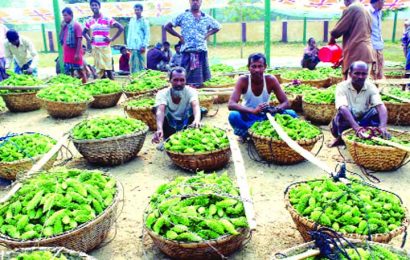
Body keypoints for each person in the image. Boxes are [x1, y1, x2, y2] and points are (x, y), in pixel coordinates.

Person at [228, 53, 297, 140]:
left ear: (265, 67)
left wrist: (275, 109)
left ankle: (250, 132)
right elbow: (231, 104)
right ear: (248, 67)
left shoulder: (270, 80)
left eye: (260, 66)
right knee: (233, 115)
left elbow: (286, 102)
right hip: (248, 115)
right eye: (254, 66)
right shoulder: (243, 80)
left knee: (291, 113)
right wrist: (253, 111)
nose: (257, 70)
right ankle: (256, 132)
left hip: (266, 116)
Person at [329, 61, 389, 147]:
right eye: (356, 73)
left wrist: (383, 126)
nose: (360, 77)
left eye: (363, 74)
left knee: (375, 111)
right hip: (346, 121)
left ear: (367, 74)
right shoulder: (342, 86)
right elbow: (342, 107)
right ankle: (340, 137)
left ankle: (373, 134)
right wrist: (357, 128)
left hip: (363, 120)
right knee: (343, 111)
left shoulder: (371, 87)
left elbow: (380, 106)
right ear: (350, 73)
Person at [165, 0, 221, 87]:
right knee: (184, 79)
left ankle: (198, 97)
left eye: (197, 0)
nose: (195, 2)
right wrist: (179, 36)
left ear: (201, 2)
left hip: (201, 51)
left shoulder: (206, 17)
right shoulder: (183, 16)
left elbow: (218, 27)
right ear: (189, 2)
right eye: (193, 0)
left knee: (201, 81)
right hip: (188, 51)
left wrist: (207, 34)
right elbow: (167, 26)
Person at [152, 67, 201, 143]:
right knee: (155, 109)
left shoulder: (191, 91)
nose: (179, 83)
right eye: (175, 80)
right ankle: (166, 135)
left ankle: (190, 133)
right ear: (170, 80)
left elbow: (196, 106)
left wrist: (196, 120)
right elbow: (160, 111)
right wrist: (159, 129)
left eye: (182, 80)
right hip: (170, 123)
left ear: (185, 81)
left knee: (201, 110)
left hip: (186, 121)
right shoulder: (162, 93)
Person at [329, 0, 374, 79]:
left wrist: (332, 40)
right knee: (362, 87)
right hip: (366, 53)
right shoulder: (365, 9)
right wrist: (344, 58)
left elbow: (337, 31)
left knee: (353, 88)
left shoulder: (352, 8)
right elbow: (358, 35)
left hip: (357, 55)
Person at [83, 0, 124, 80]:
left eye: (96, 5)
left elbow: (121, 28)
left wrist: (112, 39)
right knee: (99, 71)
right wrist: (89, 39)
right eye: (92, 5)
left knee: (108, 70)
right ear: (90, 7)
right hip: (96, 48)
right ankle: (104, 89)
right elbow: (84, 32)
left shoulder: (107, 18)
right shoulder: (89, 20)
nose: (94, 7)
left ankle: (114, 88)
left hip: (105, 48)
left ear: (99, 6)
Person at [60, 7, 87, 83]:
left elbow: (79, 39)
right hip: (67, 54)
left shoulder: (76, 25)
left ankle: (85, 86)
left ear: (71, 15)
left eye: (65, 15)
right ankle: (73, 87)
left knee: (80, 71)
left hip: (75, 54)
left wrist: (77, 53)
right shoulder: (65, 26)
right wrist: (62, 28)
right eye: (63, 16)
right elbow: (60, 38)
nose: (64, 17)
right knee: (69, 73)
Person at [127, 3, 150, 73]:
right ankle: (134, 79)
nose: (137, 11)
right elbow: (129, 33)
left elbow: (147, 34)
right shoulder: (132, 20)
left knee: (141, 65)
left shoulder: (144, 21)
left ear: (141, 10)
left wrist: (144, 45)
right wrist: (128, 45)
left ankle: (141, 80)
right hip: (133, 47)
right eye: (135, 10)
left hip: (141, 47)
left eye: (138, 10)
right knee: (133, 65)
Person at [368, 0, 385, 80]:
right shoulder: (367, 12)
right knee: (372, 71)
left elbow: (378, 29)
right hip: (371, 46)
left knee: (380, 71)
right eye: (383, 1)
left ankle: (379, 89)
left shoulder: (379, 12)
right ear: (379, 1)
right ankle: (372, 89)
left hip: (379, 45)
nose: (384, 4)